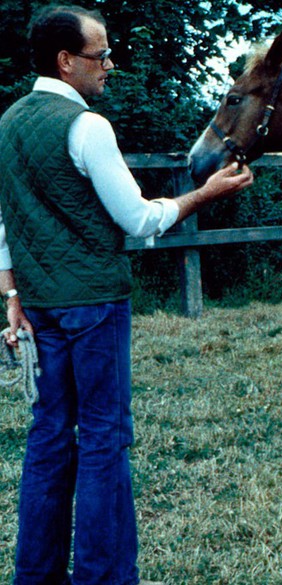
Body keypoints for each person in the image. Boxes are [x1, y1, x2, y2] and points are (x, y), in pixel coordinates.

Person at [0, 5, 254, 585]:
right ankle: (105, 577)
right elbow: (139, 218)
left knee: (47, 439)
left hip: (41, 306)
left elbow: (4, 222)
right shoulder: (87, 126)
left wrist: (9, 295)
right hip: (93, 306)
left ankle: (34, 577)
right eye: (101, 54)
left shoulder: (8, 123)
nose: (110, 64)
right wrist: (204, 195)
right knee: (104, 441)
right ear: (67, 63)